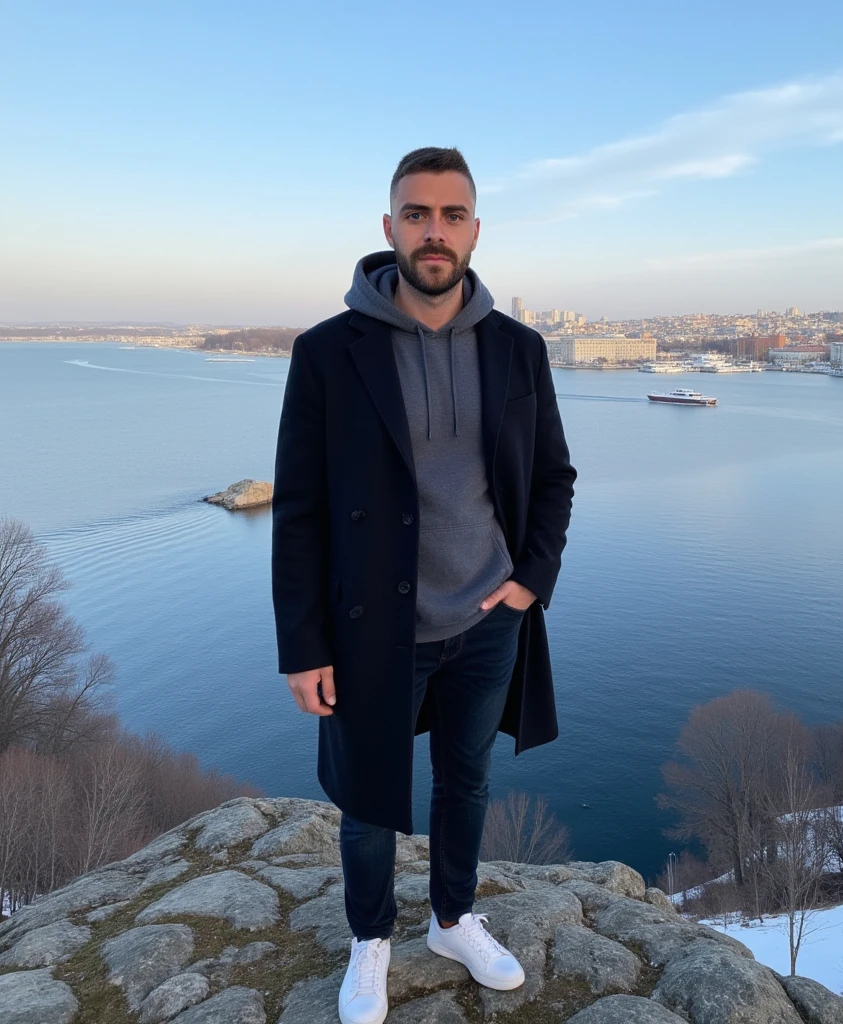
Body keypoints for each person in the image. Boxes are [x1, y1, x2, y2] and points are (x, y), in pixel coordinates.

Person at [270, 146, 576, 1024]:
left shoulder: (519, 350)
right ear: (389, 227)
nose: (433, 232)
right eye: (417, 214)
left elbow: (552, 477)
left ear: (475, 229)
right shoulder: (329, 352)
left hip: (487, 620)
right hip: (372, 628)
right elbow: (301, 509)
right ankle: (372, 938)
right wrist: (303, 645)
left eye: (450, 215)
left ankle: (451, 917)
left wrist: (529, 583)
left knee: (465, 780)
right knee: (367, 797)